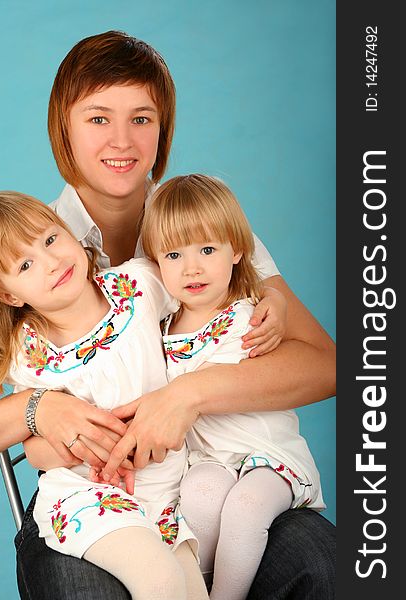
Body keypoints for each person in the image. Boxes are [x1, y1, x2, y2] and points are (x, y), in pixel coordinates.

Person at [0, 31, 336, 599]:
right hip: (98, 498)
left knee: (322, 564)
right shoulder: (21, 257)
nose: (121, 140)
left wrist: (188, 395)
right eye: (98, 118)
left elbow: (327, 366)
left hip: (217, 477)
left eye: (142, 119)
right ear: (64, 129)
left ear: (162, 130)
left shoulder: (199, 226)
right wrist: (37, 409)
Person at [0, 191, 209, 600]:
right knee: (160, 581)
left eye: (51, 240)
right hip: (89, 496)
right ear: (9, 296)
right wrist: (99, 449)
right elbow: (37, 452)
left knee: (193, 591)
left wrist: (269, 300)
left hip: (165, 492)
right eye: (25, 265)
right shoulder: (31, 352)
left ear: (72, 234)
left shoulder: (137, 286)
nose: (52, 262)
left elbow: (209, 298)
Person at [140, 174, 326, 599]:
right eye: (174, 254)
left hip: (268, 459)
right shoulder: (161, 330)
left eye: (208, 249)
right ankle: (195, 590)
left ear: (238, 250)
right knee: (199, 498)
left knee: (245, 508)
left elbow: (315, 364)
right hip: (209, 458)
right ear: (156, 263)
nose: (192, 267)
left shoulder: (253, 318)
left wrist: (274, 300)